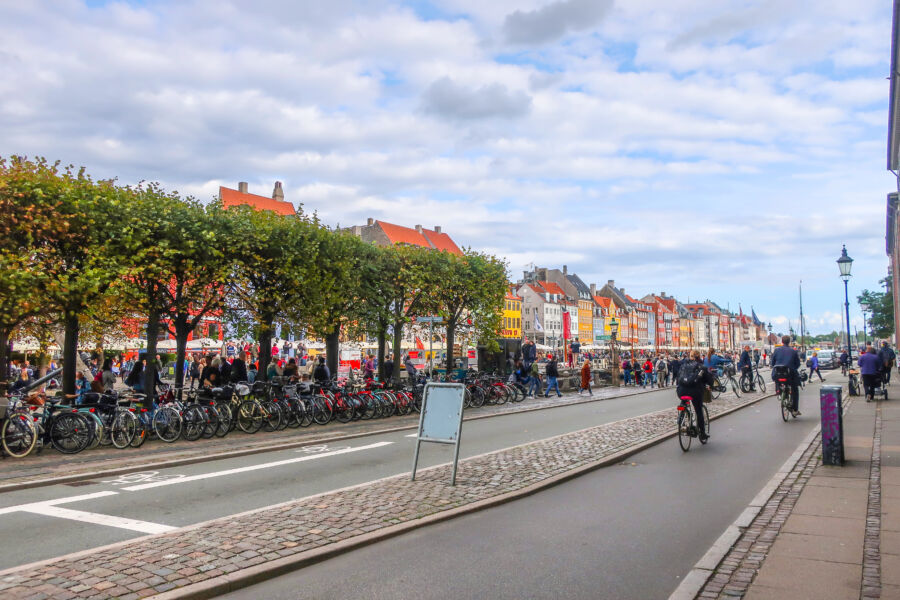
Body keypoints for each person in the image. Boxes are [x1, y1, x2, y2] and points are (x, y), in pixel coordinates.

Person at [676, 350, 715, 443]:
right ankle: (702, 433)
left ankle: (681, 419)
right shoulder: (702, 367)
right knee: (699, 410)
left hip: (681, 391)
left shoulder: (683, 365)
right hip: (695, 392)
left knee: (684, 401)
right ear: (699, 356)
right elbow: (709, 379)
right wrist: (711, 386)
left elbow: (678, 377)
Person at [772, 335, 801, 416]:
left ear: (782, 341)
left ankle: (778, 391)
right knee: (795, 390)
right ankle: (795, 409)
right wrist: (793, 368)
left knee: (776, 379)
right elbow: (797, 364)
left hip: (778, 374)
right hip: (789, 375)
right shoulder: (793, 351)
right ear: (789, 342)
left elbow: (772, 363)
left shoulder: (777, 350)